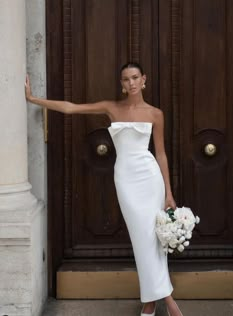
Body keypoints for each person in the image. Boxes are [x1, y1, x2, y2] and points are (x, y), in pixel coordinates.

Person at [25, 62, 183, 316]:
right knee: (141, 238)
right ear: (121, 84)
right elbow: (71, 109)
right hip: (126, 180)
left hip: (150, 177)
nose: (130, 83)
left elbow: (161, 154)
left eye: (134, 78)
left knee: (154, 238)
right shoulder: (112, 108)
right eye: (125, 79)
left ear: (144, 80)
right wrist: (33, 99)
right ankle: (166, 299)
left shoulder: (155, 113)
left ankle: (153, 302)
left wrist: (169, 192)